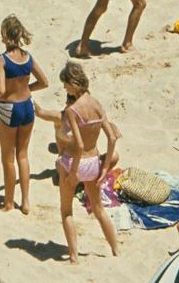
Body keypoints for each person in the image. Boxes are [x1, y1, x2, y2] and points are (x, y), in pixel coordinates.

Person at [35, 62, 120, 265]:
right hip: (94, 162)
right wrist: (106, 167)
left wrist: (73, 173)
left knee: (66, 212)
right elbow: (112, 138)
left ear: (73, 83)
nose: (65, 88)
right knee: (98, 209)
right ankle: (116, 249)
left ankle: (73, 257)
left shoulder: (73, 110)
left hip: (75, 162)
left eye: (66, 84)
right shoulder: (97, 104)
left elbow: (79, 144)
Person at [0, 15, 47, 215]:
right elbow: (44, 82)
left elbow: (0, 88)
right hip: (27, 106)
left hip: (10, 108)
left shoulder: (1, 60)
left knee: (8, 157)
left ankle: (8, 202)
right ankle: (25, 201)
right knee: (23, 155)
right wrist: (26, 88)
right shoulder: (28, 57)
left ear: (5, 35)